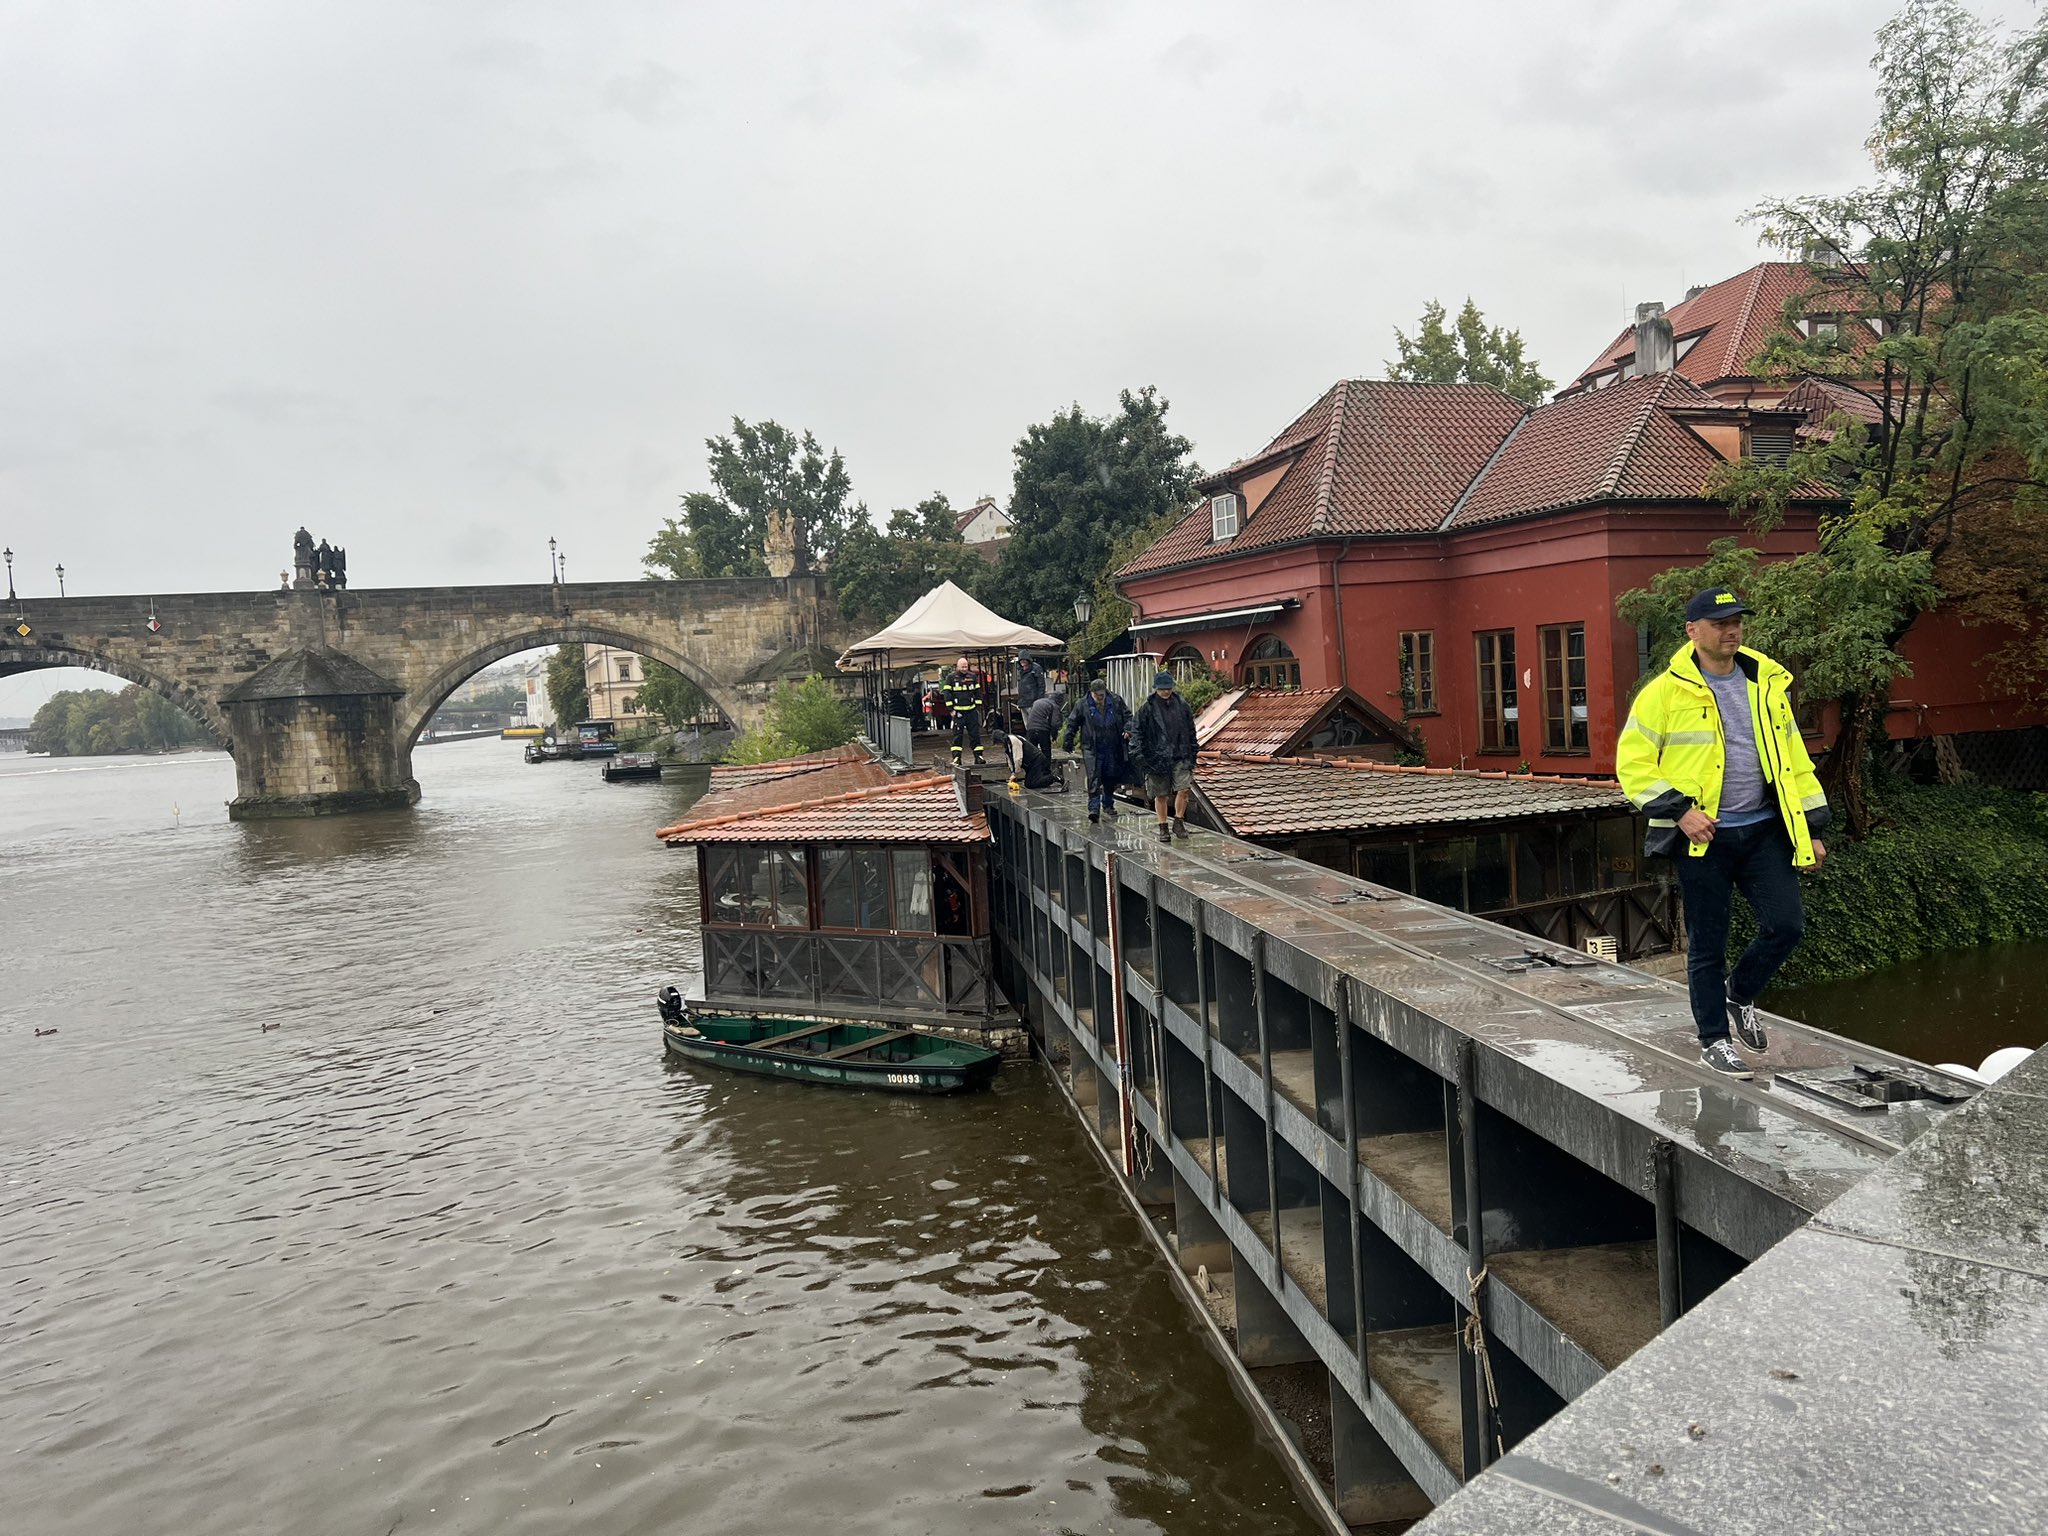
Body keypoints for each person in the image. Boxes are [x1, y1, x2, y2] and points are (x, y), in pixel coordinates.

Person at [1617, 587, 1831, 1080]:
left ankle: (1740, 994)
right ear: (1693, 631)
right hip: (1703, 838)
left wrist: (1812, 827)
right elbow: (1632, 766)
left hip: (1764, 832)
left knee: (1787, 926)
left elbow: (1795, 762)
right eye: (1719, 623)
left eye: (1736, 622)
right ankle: (1714, 1040)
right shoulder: (1663, 694)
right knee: (1708, 945)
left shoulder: (1766, 686)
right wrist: (1679, 811)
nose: (1731, 631)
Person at [1133, 669, 1197, 843]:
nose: (1165, 691)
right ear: (1156, 689)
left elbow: (1191, 730)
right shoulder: (1147, 709)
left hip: (1180, 754)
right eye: (1162, 689)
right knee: (1161, 794)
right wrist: (1140, 756)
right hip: (1156, 757)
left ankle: (1178, 821)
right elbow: (1136, 731)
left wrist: (1193, 752)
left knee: (1184, 789)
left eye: (1168, 688)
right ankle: (1163, 827)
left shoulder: (1182, 705)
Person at [1062, 676, 1132, 823]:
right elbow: (1072, 723)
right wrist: (1068, 740)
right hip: (1091, 747)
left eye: (1102, 694)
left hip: (1112, 745)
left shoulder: (1115, 700)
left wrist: (1128, 728)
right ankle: (1093, 808)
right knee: (1094, 776)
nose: (1101, 697)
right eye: (1098, 695)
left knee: (1110, 776)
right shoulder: (1082, 704)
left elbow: (1128, 716)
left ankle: (1108, 803)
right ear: (1092, 692)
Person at [942, 654, 985, 766]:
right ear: (957, 667)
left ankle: (979, 756)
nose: (964, 669)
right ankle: (956, 758)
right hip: (958, 712)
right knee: (957, 736)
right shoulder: (951, 678)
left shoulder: (973, 677)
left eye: (966, 666)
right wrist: (951, 710)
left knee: (975, 735)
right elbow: (947, 695)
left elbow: (978, 692)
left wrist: (977, 707)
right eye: (962, 667)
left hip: (971, 711)